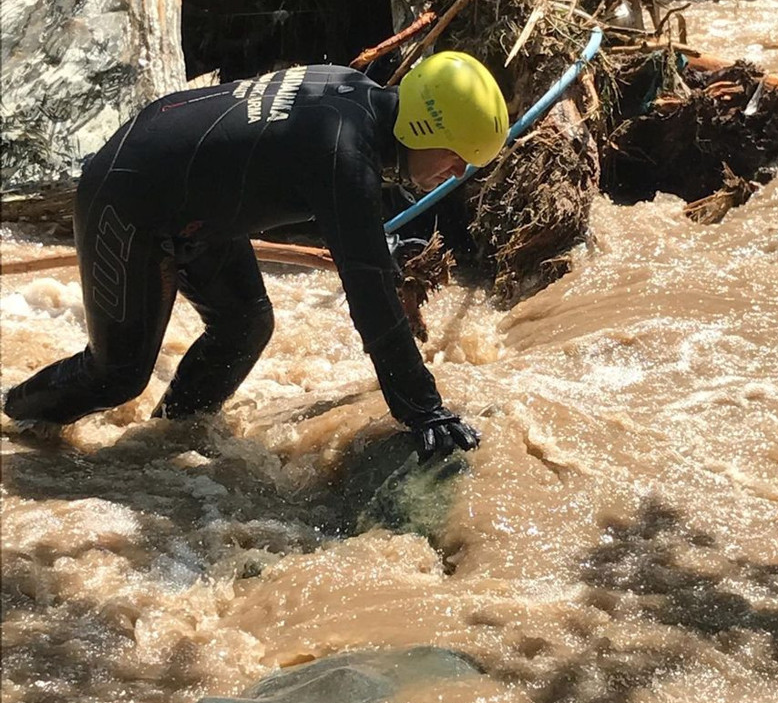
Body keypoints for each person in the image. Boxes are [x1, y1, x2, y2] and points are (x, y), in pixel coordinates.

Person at [3, 53, 509, 460]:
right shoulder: (343, 154)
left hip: (190, 198)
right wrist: (426, 412)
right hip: (128, 197)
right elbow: (371, 299)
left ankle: (162, 445)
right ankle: (14, 417)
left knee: (245, 323)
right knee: (118, 375)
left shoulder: (352, 93)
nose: (455, 172)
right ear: (424, 129)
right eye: (456, 157)